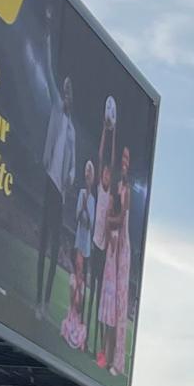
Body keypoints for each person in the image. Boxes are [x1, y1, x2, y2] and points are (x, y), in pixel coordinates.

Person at [36, 78, 77, 315]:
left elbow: (74, 163)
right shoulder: (56, 112)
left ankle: (47, 302)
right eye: (65, 93)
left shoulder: (72, 131)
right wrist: (48, 45)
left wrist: (71, 176)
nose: (67, 97)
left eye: (70, 94)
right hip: (49, 182)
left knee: (53, 247)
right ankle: (38, 298)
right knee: (42, 244)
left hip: (60, 191)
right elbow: (50, 78)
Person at [97, 149, 135, 374]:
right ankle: (104, 357)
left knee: (118, 309)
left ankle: (115, 361)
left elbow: (119, 219)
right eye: (122, 158)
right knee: (107, 308)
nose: (123, 163)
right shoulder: (115, 190)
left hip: (122, 251)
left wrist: (110, 219)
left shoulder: (126, 190)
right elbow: (110, 218)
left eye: (126, 160)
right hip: (112, 251)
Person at [87, 97, 117, 347]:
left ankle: (97, 340)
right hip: (92, 242)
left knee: (98, 296)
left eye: (108, 173)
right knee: (90, 290)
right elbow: (100, 156)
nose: (105, 174)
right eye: (104, 172)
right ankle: (87, 333)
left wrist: (114, 132)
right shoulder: (99, 188)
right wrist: (105, 133)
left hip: (102, 248)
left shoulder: (109, 194)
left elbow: (112, 160)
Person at [62, 161, 95, 350]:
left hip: (87, 240)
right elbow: (78, 216)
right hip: (79, 237)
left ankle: (81, 334)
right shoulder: (82, 194)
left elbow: (90, 223)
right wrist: (82, 207)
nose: (88, 173)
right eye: (87, 170)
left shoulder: (92, 199)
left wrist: (87, 210)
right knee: (77, 272)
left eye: (90, 171)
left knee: (82, 276)